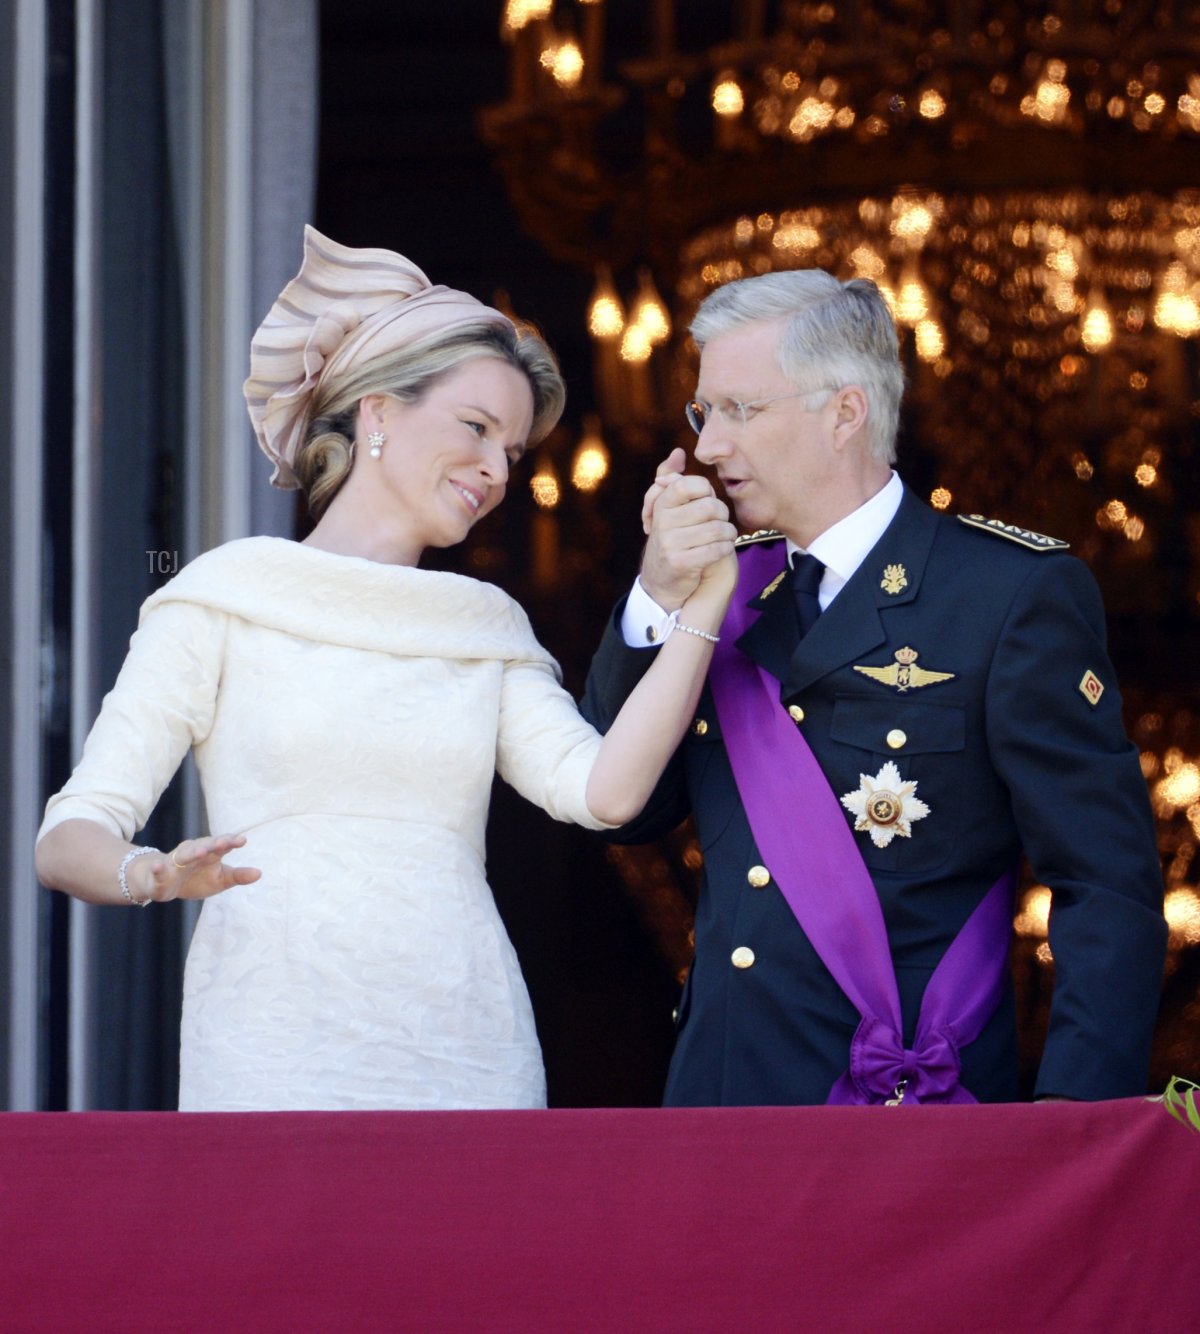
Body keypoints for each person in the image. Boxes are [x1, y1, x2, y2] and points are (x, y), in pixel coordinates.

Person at [35, 226, 737, 1112]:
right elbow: (69, 838)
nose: (494, 470)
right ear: (377, 413)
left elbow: (603, 792)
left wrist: (699, 607)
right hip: (268, 1048)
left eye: (512, 454)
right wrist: (155, 875)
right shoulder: (224, 596)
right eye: (476, 428)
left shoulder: (486, 626)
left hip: (469, 1051)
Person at [581, 268, 1167, 1106]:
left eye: (741, 411)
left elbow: (1104, 885)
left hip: (915, 1110)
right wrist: (654, 598)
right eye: (703, 414)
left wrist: (1071, 1131)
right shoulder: (722, 590)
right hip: (724, 1099)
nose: (709, 448)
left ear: (844, 413)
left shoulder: (1004, 595)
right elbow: (620, 808)